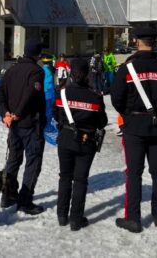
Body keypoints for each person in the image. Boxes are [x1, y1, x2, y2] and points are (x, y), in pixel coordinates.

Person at [110, 27, 157, 233]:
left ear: (136, 41)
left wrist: (128, 114)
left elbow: (116, 98)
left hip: (134, 126)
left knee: (134, 173)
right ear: (156, 42)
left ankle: (133, 218)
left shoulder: (127, 69)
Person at [53, 59, 108, 231]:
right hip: (86, 141)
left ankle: (62, 215)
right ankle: (76, 219)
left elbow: (56, 115)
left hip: (65, 138)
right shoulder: (95, 96)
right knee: (80, 180)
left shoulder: (61, 93)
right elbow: (102, 122)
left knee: (65, 177)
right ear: (87, 74)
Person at [0, 38, 46, 215]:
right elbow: (31, 93)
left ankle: (7, 195)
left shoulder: (11, 70)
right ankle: (25, 200)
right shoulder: (36, 71)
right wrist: (17, 112)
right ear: (38, 54)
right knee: (33, 160)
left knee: (14, 159)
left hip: (14, 125)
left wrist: (5, 113)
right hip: (30, 123)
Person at [42, 56, 56, 132]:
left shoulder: (43, 69)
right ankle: (47, 126)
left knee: (46, 110)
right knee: (48, 111)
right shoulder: (48, 70)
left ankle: (46, 125)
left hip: (46, 93)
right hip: (48, 94)